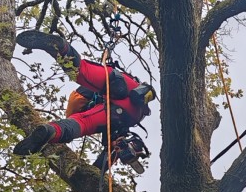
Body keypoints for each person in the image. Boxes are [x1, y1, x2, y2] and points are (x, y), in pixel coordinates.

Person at [13, 30, 155, 156]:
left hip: (123, 82)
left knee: (80, 71)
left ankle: (62, 48)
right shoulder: (108, 120)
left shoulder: (91, 102)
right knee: (80, 121)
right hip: (128, 110)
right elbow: (104, 161)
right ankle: (51, 130)